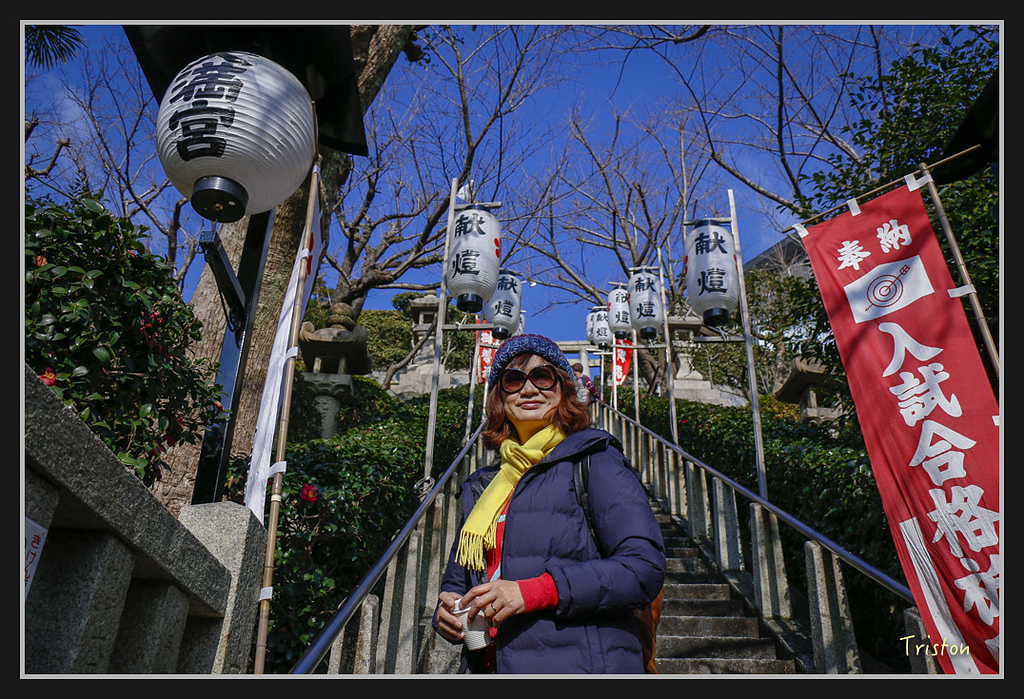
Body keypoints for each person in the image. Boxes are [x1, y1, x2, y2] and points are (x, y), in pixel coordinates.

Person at [432, 334, 665, 674]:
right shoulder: (483, 486)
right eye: (513, 380)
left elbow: (642, 567)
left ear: (565, 389)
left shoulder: (594, 458)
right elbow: (457, 583)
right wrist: (448, 615)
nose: (528, 390)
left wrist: (534, 591)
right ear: (499, 398)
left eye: (542, 377)